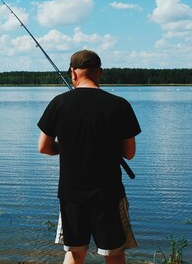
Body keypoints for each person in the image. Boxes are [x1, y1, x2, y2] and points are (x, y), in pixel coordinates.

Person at [37, 50, 141, 264]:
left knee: (75, 253)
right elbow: (129, 153)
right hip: (109, 194)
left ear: (73, 73)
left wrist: (65, 147)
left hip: (71, 194)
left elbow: (44, 147)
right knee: (115, 253)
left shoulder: (58, 103)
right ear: (100, 73)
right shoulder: (119, 105)